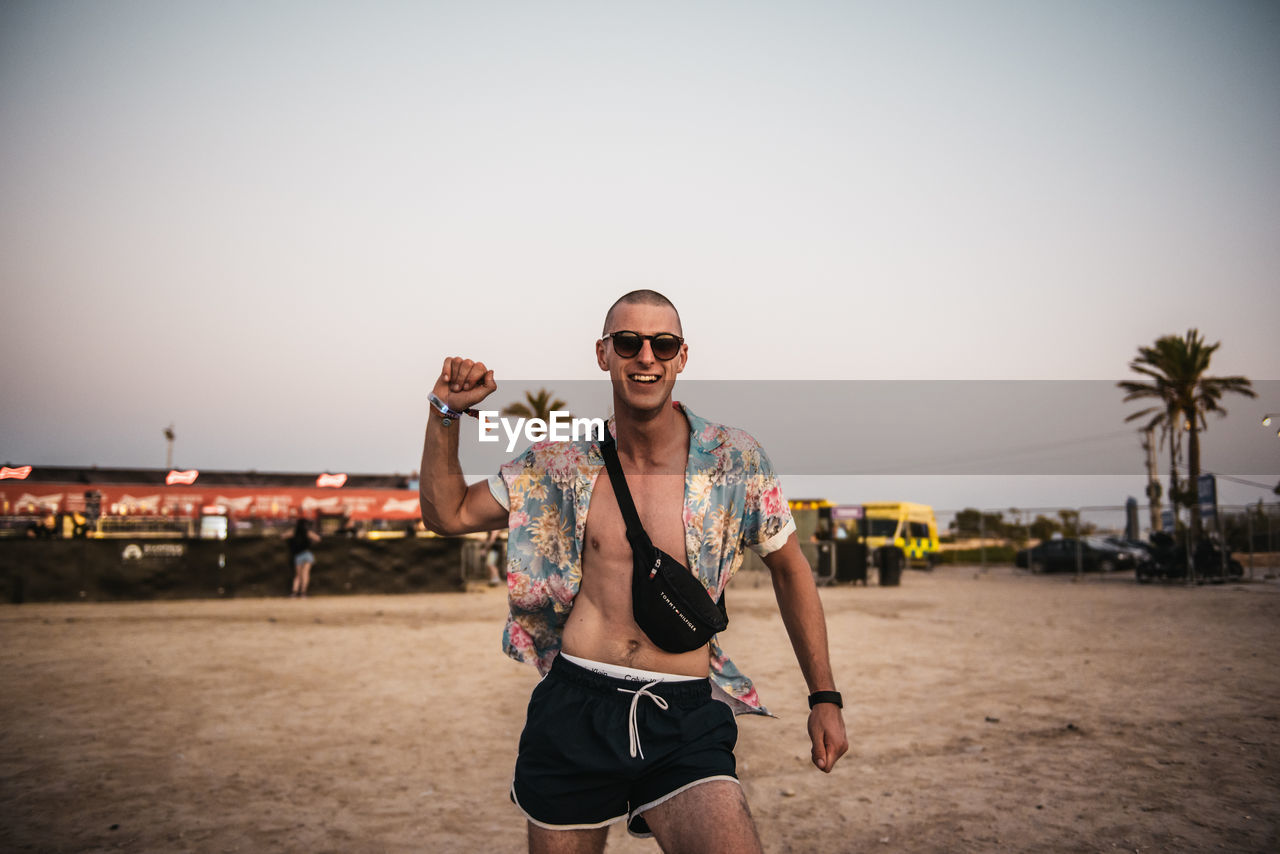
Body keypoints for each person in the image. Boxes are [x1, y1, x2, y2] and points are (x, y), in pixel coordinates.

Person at [419, 290, 847, 854]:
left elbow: (791, 571)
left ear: (681, 357)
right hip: (575, 705)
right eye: (629, 342)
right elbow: (446, 514)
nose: (646, 355)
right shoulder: (561, 462)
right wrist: (444, 414)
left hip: (683, 715)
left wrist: (825, 697)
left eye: (662, 343)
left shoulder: (734, 461)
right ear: (604, 354)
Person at [285, 518, 321, 598]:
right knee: (305, 574)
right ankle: (303, 592)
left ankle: (294, 592)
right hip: (307, 554)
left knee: (298, 575)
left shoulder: (294, 531)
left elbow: (283, 536)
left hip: (298, 555)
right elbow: (318, 538)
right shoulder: (307, 532)